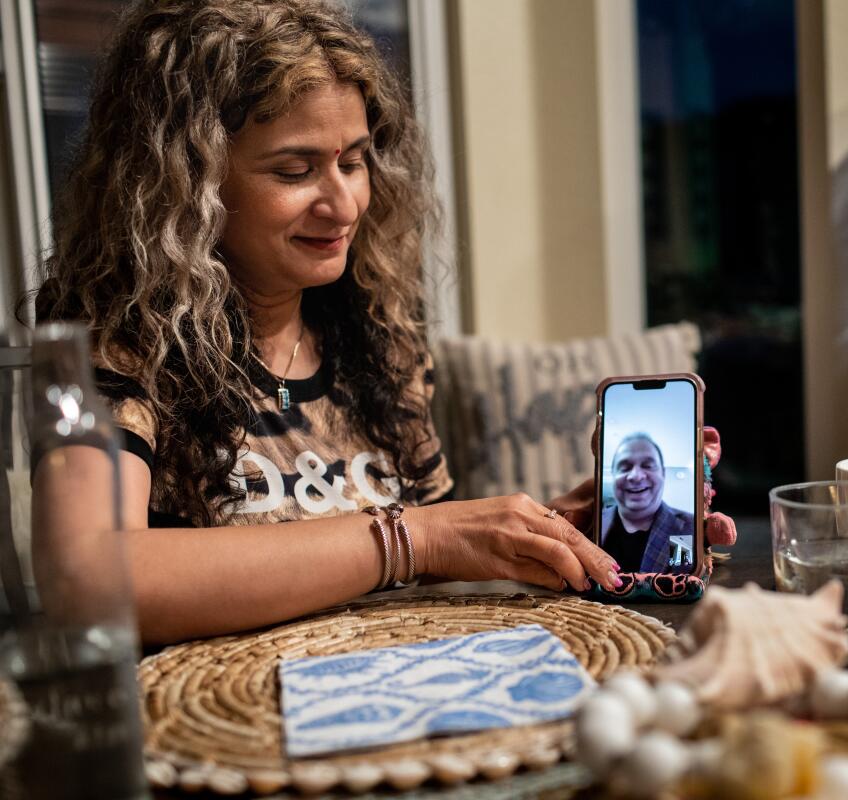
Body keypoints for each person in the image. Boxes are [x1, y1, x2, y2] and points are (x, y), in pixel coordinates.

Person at [30, 0, 639, 645]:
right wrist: (412, 535)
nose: (344, 204)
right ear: (185, 183)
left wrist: (547, 534)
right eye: (295, 171)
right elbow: (85, 578)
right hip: (217, 726)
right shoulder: (117, 350)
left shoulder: (382, 342)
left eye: (352, 161)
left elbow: (425, 572)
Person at [599, 433, 696, 573]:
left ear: (663, 473)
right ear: (613, 475)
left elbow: (681, 577)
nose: (636, 476)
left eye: (648, 465)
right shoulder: (597, 520)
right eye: (625, 467)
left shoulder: (684, 528)